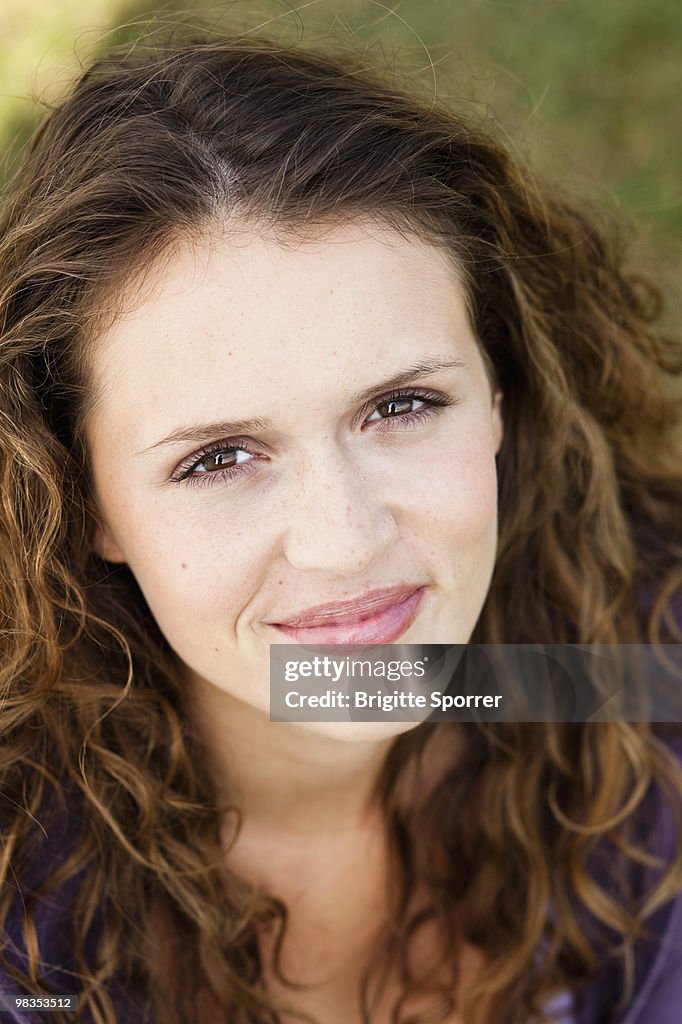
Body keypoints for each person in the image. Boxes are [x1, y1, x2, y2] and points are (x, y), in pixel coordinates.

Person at [0, 29, 681, 1024]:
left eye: (401, 405)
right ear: (85, 498)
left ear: (498, 391)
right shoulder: (26, 910)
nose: (346, 541)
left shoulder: (639, 680)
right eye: (217, 457)